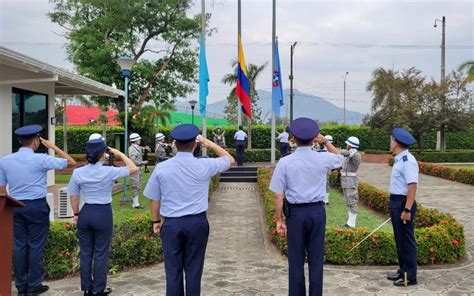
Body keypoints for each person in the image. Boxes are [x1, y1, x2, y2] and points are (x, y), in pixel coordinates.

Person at [144, 124, 235, 295]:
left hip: (171, 224)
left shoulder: (162, 168)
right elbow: (230, 160)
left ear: (174, 144)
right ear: (196, 144)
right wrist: (210, 144)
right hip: (196, 223)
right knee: (194, 270)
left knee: (172, 271)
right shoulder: (204, 165)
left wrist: (156, 221)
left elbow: (154, 199)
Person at [269, 118, 343, 296]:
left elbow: (278, 195)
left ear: (292, 138)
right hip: (317, 212)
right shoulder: (323, 158)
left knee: (295, 260)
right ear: (314, 138)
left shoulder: (285, 162)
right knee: (316, 259)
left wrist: (279, 220)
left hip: (296, 215)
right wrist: (325, 141)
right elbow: (340, 158)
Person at [0, 125, 76, 296]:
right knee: (36, 246)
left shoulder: (5, 160)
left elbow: (2, 190)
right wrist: (53, 147)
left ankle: (21, 286)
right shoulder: (41, 159)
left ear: (19, 141)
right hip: (36, 206)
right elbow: (71, 163)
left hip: (15, 206)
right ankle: (34, 285)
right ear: (36, 142)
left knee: (19, 246)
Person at [68, 136, 138, 296]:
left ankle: (87, 288)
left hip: (86, 212)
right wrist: (118, 152)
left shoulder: (78, 172)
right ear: (102, 153)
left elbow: (73, 196)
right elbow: (133, 168)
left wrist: (76, 214)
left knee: (86, 253)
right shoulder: (109, 171)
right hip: (103, 213)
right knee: (100, 253)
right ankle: (98, 289)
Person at [386, 128, 419, 287]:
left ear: (396, 143)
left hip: (402, 203)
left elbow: (412, 186)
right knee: (400, 239)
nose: (391, 143)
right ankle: (402, 270)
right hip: (396, 202)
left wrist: (407, 210)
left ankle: (410, 276)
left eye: (392, 140)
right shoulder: (400, 159)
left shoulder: (408, 161)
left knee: (406, 240)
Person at [340, 136, 362, 228]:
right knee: (348, 201)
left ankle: (352, 224)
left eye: (347, 144)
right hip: (346, 180)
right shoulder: (351, 153)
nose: (346, 145)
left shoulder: (355, 154)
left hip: (350, 181)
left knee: (352, 201)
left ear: (350, 145)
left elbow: (345, 153)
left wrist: (335, 149)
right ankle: (349, 222)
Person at [128, 133, 150, 209]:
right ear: (136, 140)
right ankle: (135, 204)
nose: (140, 140)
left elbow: (144, 149)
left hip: (138, 169)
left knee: (138, 185)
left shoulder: (137, 147)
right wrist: (143, 162)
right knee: (135, 185)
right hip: (134, 169)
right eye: (139, 139)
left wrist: (146, 148)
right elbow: (133, 160)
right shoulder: (132, 149)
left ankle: (135, 201)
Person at [318, 135, 334, 205]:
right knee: (327, 183)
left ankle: (323, 198)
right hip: (328, 169)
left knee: (321, 183)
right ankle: (326, 199)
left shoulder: (320, 152)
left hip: (321, 169)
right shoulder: (332, 152)